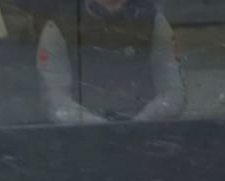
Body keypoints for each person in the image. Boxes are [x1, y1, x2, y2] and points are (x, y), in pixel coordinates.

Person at [37, 0, 185, 124]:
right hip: (81, 141)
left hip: (148, 138)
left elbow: (173, 92)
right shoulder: (61, 23)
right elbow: (55, 100)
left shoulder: (152, 19)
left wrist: (140, 123)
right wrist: (98, 127)